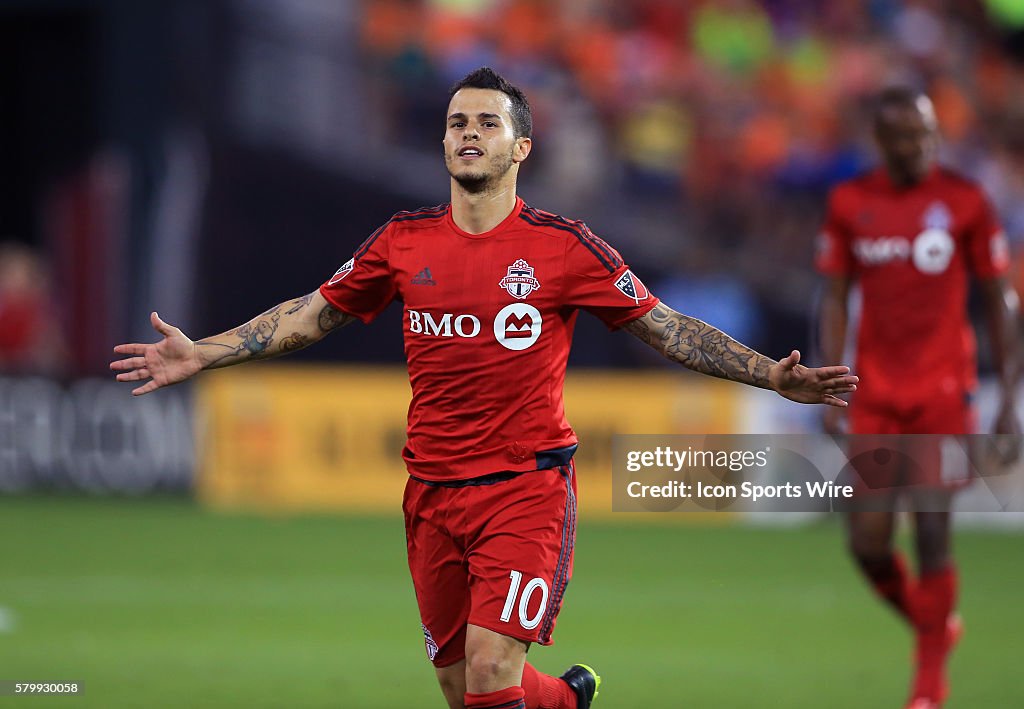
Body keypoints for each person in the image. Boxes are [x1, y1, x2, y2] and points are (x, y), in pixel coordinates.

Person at [113, 67, 858, 709]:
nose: (469, 132)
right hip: (431, 492)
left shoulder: (565, 248)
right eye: (456, 122)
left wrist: (770, 373)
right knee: (463, 688)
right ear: (442, 144)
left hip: (524, 489)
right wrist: (202, 354)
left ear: (520, 147)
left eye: (488, 123)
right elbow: (310, 315)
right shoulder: (402, 242)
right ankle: (566, 698)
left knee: (494, 673)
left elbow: (665, 327)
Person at [816, 87, 1020, 709]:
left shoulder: (965, 201)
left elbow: (999, 301)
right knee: (867, 542)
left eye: (926, 133)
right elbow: (833, 297)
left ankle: (928, 687)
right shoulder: (852, 203)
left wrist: (1010, 398)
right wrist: (830, 385)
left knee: (933, 533)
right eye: (904, 135)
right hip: (875, 392)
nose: (918, 145)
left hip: (941, 394)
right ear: (882, 141)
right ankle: (936, 626)